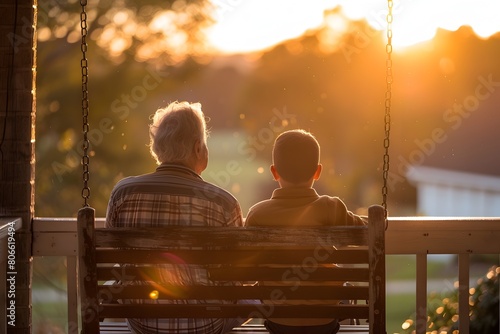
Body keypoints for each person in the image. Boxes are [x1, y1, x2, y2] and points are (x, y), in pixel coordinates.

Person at [106, 101, 245, 334]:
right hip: (206, 325)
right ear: (198, 148)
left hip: (143, 323)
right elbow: (236, 277)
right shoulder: (224, 203)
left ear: (158, 147)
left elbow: (115, 254)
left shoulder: (123, 193)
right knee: (252, 299)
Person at [245, 129, 366, 334]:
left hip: (279, 321)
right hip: (324, 321)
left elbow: (249, 266)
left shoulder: (258, 214)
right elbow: (363, 231)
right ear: (318, 171)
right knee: (345, 289)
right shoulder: (331, 207)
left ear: (274, 172)